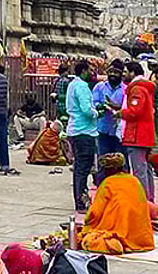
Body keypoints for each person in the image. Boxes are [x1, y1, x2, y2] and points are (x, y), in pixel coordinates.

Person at [77, 153, 155, 255]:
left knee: (88, 238)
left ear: (109, 170)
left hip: (119, 230)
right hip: (143, 238)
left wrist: (86, 222)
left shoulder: (107, 183)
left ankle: (117, 242)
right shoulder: (134, 180)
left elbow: (95, 213)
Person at [118, 60, 156, 201]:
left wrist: (121, 113)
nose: (123, 75)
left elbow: (135, 112)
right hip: (144, 135)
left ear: (133, 73)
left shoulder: (137, 89)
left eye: (125, 72)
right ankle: (149, 198)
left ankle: (143, 201)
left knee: (139, 170)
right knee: (145, 169)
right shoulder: (143, 88)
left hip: (137, 135)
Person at [65, 61, 98, 211]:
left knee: (79, 167)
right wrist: (97, 112)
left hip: (75, 129)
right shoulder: (82, 86)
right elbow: (86, 109)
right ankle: (81, 201)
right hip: (83, 131)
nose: (92, 73)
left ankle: (80, 199)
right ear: (83, 71)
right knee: (83, 168)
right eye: (90, 70)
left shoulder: (72, 84)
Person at [91, 66, 125, 157]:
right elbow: (93, 103)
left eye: (116, 72)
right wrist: (101, 106)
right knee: (103, 158)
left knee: (119, 159)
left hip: (119, 131)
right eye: (110, 72)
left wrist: (116, 107)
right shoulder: (99, 87)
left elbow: (127, 108)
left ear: (121, 75)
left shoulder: (126, 89)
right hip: (103, 128)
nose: (112, 74)